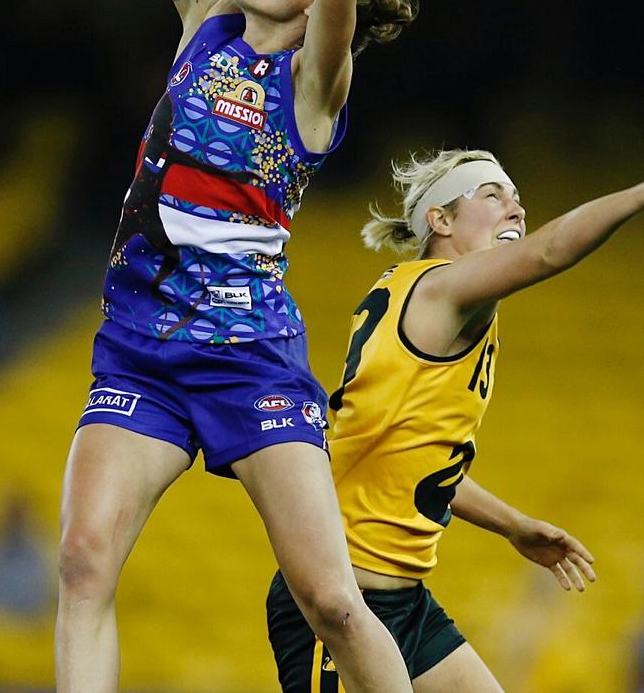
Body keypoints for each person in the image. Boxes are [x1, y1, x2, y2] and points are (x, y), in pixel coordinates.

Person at [55, 0, 419, 693]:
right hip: (138, 345)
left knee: (334, 603)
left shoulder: (314, 85)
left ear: (315, 7)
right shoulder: (204, 19)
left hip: (249, 354)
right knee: (84, 562)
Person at [267, 146, 644, 691]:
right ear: (439, 220)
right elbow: (549, 253)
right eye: (493, 196)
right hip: (341, 603)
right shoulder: (441, 287)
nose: (516, 210)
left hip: (404, 602)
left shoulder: (425, 300)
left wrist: (513, 525)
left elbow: (409, 459)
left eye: (517, 199)